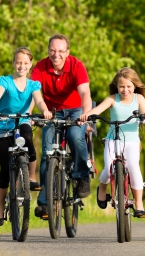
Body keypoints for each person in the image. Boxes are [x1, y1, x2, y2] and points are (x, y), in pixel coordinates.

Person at [0, 47, 52, 226]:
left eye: (25, 63)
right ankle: (0, 208)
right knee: (5, 169)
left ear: (30, 65)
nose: (21, 66)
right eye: (18, 62)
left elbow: (38, 100)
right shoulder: (5, 81)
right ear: (13, 63)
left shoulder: (33, 85)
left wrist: (44, 110)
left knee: (29, 142)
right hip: (4, 125)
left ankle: (30, 177)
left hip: (22, 121)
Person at [30, 34, 93, 219]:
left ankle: (81, 176)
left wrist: (86, 115)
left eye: (60, 51)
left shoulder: (76, 65)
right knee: (47, 152)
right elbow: (34, 93)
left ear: (67, 52)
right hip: (51, 111)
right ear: (48, 50)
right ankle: (45, 203)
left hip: (76, 110)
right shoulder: (40, 67)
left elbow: (85, 93)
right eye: (52, 50)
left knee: (75, 136)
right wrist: (31, 115)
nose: (56, 54)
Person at [79, 67, 145, 218]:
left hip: (132, 140)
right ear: (117, 86)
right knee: (108, 168)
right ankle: (102, 188)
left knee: (133, 167)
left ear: (134, 86)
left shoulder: (139, 99)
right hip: (113, 140)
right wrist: (85, 116)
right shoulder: (112, 99)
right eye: (121, 86)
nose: (125, 90)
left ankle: (139, 204)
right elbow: (98, 110)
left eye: (128, 86)